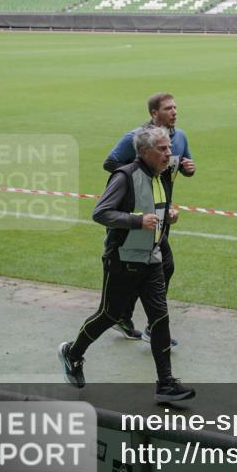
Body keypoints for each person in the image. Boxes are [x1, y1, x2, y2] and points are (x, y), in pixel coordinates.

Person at [58, 125, 194, 404]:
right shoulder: (124, 177)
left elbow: (150, 206)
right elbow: (101, 213)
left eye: (170, 147)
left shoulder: (161, 175)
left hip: (152, 259)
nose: (170, 153)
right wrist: (136, 220)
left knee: (160, 318)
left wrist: (165, 214)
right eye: (163, 149)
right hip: (123, 261)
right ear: (144, 152)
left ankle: (166, 383)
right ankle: (72, 353)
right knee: (109, 314)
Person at [103, 92, 194, 345]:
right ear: (154, 114)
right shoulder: (135, 138)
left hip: (162, 215)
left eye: (176, 107)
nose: (174, 112)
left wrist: (188, 169)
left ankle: (124, 317)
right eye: (168, 108)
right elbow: (110, 163)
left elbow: (183, 164)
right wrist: (139, 172)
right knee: (157, 267)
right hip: (140, 216)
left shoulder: (181, 137)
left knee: (156, 268)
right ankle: (144, 324)